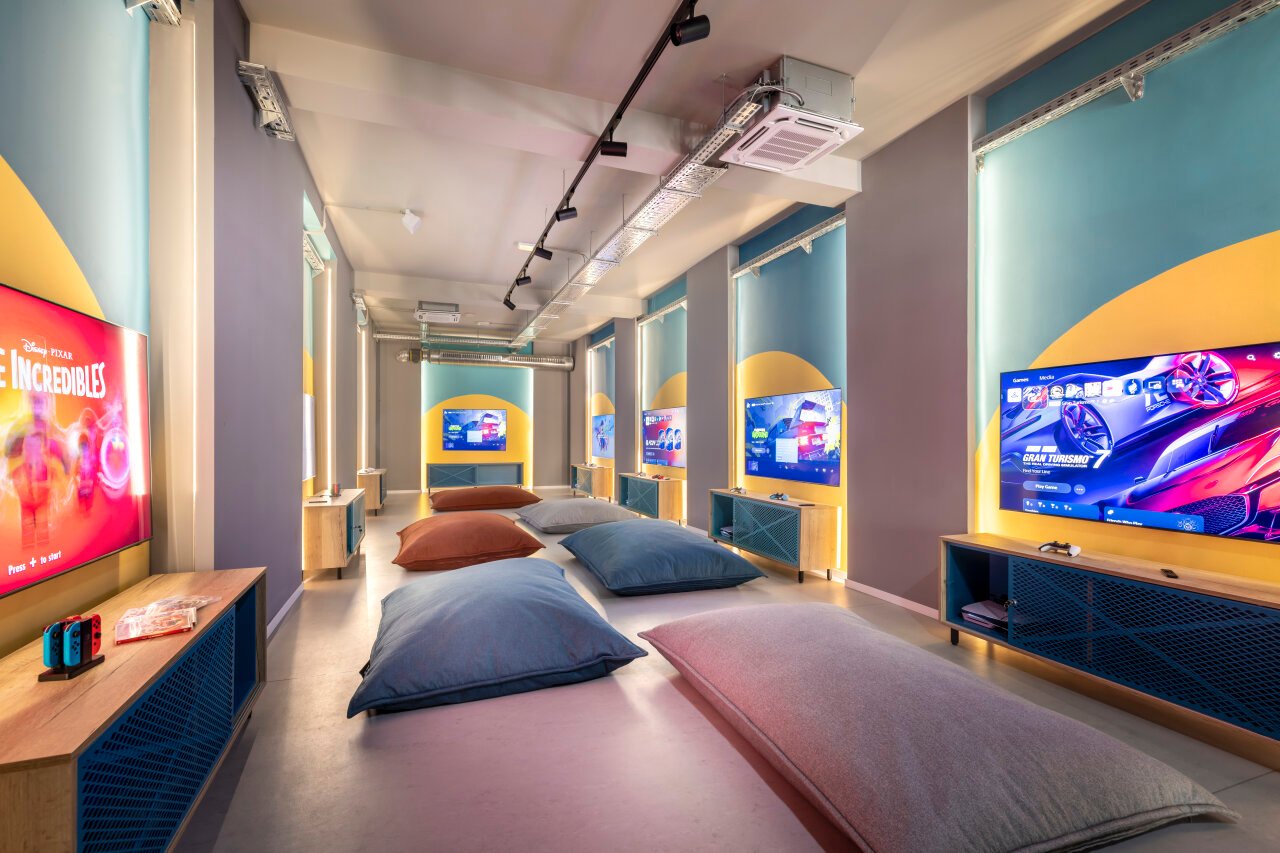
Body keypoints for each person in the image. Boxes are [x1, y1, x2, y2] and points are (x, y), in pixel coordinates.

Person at [4, 392, 68, 550]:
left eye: (40, 403)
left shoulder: (48, 428)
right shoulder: (24, 427)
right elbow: (11, 448)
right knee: (27, 512)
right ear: (30, 405)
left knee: (42, 513)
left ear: (45, 405)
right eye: (35, 403)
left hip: (42, 477)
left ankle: (43, 543)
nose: (37, 407)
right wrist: (10, 454)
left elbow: (56, 447)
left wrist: (64, 463)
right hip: (27, 478)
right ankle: (29, 543)